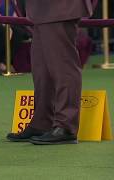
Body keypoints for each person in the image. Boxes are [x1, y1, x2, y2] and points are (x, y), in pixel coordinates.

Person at [7, 0, 93, 145]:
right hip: (43, 10)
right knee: (42, 70)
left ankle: (66, 126)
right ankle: (42, 122)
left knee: (63, 67)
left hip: (59, 8)